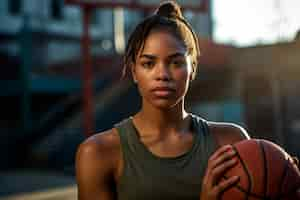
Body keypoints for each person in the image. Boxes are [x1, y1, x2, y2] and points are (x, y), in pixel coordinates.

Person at [75, 1, 250, 200]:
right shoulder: (98, 153)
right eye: (149, 63)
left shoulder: (230, 142)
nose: (162, 75)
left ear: (192, 68)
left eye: (175, 62)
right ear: (134, 71)